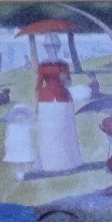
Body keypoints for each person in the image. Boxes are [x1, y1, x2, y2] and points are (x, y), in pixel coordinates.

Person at [35, 33, 84, 172]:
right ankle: (49, 163)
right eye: (49, 47)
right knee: (49, 131)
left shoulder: (64, 65)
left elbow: (69, 83)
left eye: (54, 47)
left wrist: (64, 78)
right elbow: (38, 85)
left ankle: (66, 163)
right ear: (45, 48)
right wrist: (36, 103)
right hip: (46, 100)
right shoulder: (42, 65)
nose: (52, 49)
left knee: (63, 129)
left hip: (63, 98)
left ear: (58, 48)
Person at [3, 104, 36, 180]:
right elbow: (8, 137)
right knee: (16, 160)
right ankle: (18, 173)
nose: (20, 117)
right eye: (17, 115)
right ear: (13, 117)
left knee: (23, 160)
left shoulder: (26, 126)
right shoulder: (11, 127)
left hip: (24, 146)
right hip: (15, 146)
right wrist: (7, 145)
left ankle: (22, 173)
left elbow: (32, 132)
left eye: (22, 115)